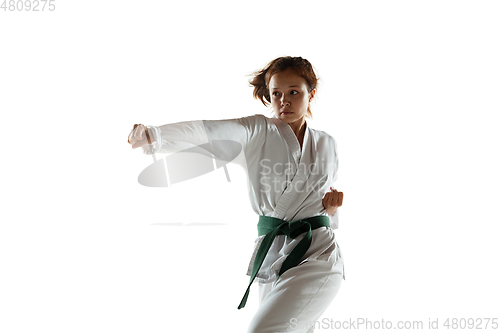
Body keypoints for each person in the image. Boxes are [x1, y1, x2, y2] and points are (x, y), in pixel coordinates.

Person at [128, 56, 344, 333]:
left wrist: (332, 209)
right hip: (275, 252)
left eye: (294, 92)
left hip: (319, 253)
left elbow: (322, 203)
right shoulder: (256, 131)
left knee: (263, 330)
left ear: (310, 94)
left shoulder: (328, 143)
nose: (284, 101)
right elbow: (209, 131)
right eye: (276, 93)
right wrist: (154, 135)